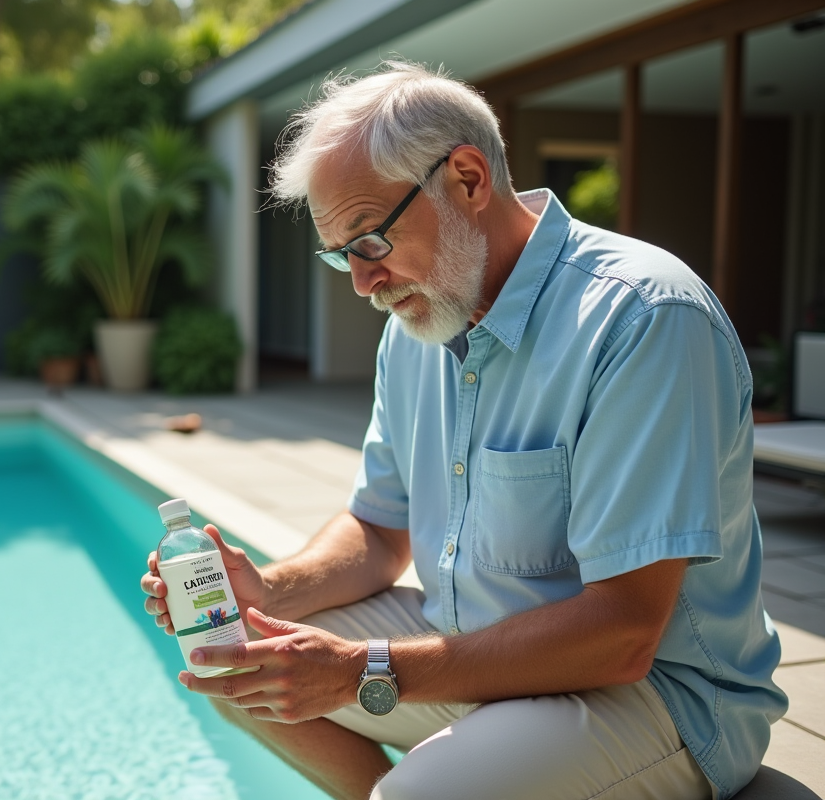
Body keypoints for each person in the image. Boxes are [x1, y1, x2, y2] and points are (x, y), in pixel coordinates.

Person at [140, 62, 786, 800]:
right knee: (241, 661)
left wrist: (365, 670)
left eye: (370, 240)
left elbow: (625, 632)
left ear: (468, 180)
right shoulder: (419, 322)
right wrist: (270, 591)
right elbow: (381, 532)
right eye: (340, 255)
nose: (361, 283)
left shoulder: (642, 319)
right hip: (472, 644)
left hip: (659, 697)